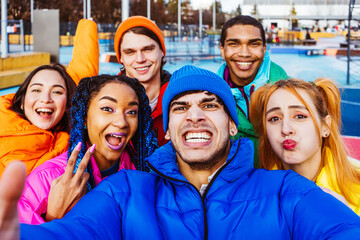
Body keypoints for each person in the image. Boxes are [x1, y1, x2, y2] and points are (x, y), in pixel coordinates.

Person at [0, 65, 360, 239]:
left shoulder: (285, 190)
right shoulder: (126, 191)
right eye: (180, 108)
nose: (195, 115)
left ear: (233, 125)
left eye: (209, 104)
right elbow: (75, 234)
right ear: (167, 130)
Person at [17, 74, 158, 224]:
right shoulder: (45, 179)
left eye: (131, 112)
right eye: (107, 109)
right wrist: (54, 218)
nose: (121, 122)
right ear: (84, 118)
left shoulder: (145, 169)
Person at [0, 19, 99, 177]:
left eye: (57, 92)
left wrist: (87, 25)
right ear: (22, 102)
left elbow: (83, 72)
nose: (46, 98)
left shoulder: (68, 138)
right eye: (37, 90)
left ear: (67, 103)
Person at [249, 78, 360, 214]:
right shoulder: (254, 197)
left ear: (325, 126)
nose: (286, 129)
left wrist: (349, 224)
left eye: (299, 116)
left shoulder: (356, 190)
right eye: (274, 118)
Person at [217, 15, 289, 167]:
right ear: (222, 50)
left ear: (264, 49)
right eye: (234, 44)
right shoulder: (211, 96)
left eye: (253, 44)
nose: (244, 53)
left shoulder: (290, 93)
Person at [114, 16, 171, 146]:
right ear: (121, 58)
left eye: (147, 49)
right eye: (130, 52)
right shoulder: (104, 99)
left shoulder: (180, 97)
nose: (140, 59)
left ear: (162, 51)